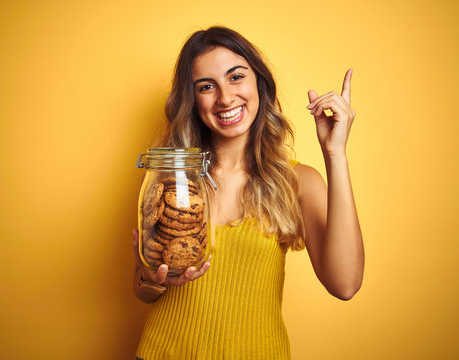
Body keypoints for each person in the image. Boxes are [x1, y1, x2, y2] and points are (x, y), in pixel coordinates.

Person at [131, 26, 364, 359]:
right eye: (207, 86)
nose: (225, 98)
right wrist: (153, 280)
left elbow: (345, 285)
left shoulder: (298, 182)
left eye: (236, 77)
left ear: (259, 83)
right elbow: (142, 290)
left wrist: (335, 153)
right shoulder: (171, 181)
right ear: (192, 99)